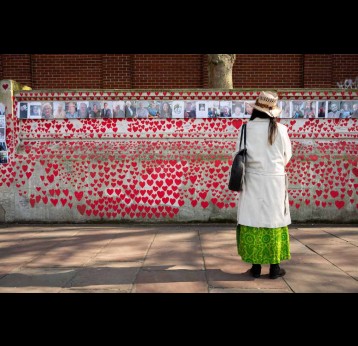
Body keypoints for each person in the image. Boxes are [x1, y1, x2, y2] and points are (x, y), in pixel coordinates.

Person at [234, 91, 292, 279]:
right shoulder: (281, 130)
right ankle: (275, 267)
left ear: (256, 109)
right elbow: (286, 157)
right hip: (275, 181)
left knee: (253, 219)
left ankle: (256, 267)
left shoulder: (245, 128)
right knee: (274, 221)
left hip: (252, 180)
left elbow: (238, 154)